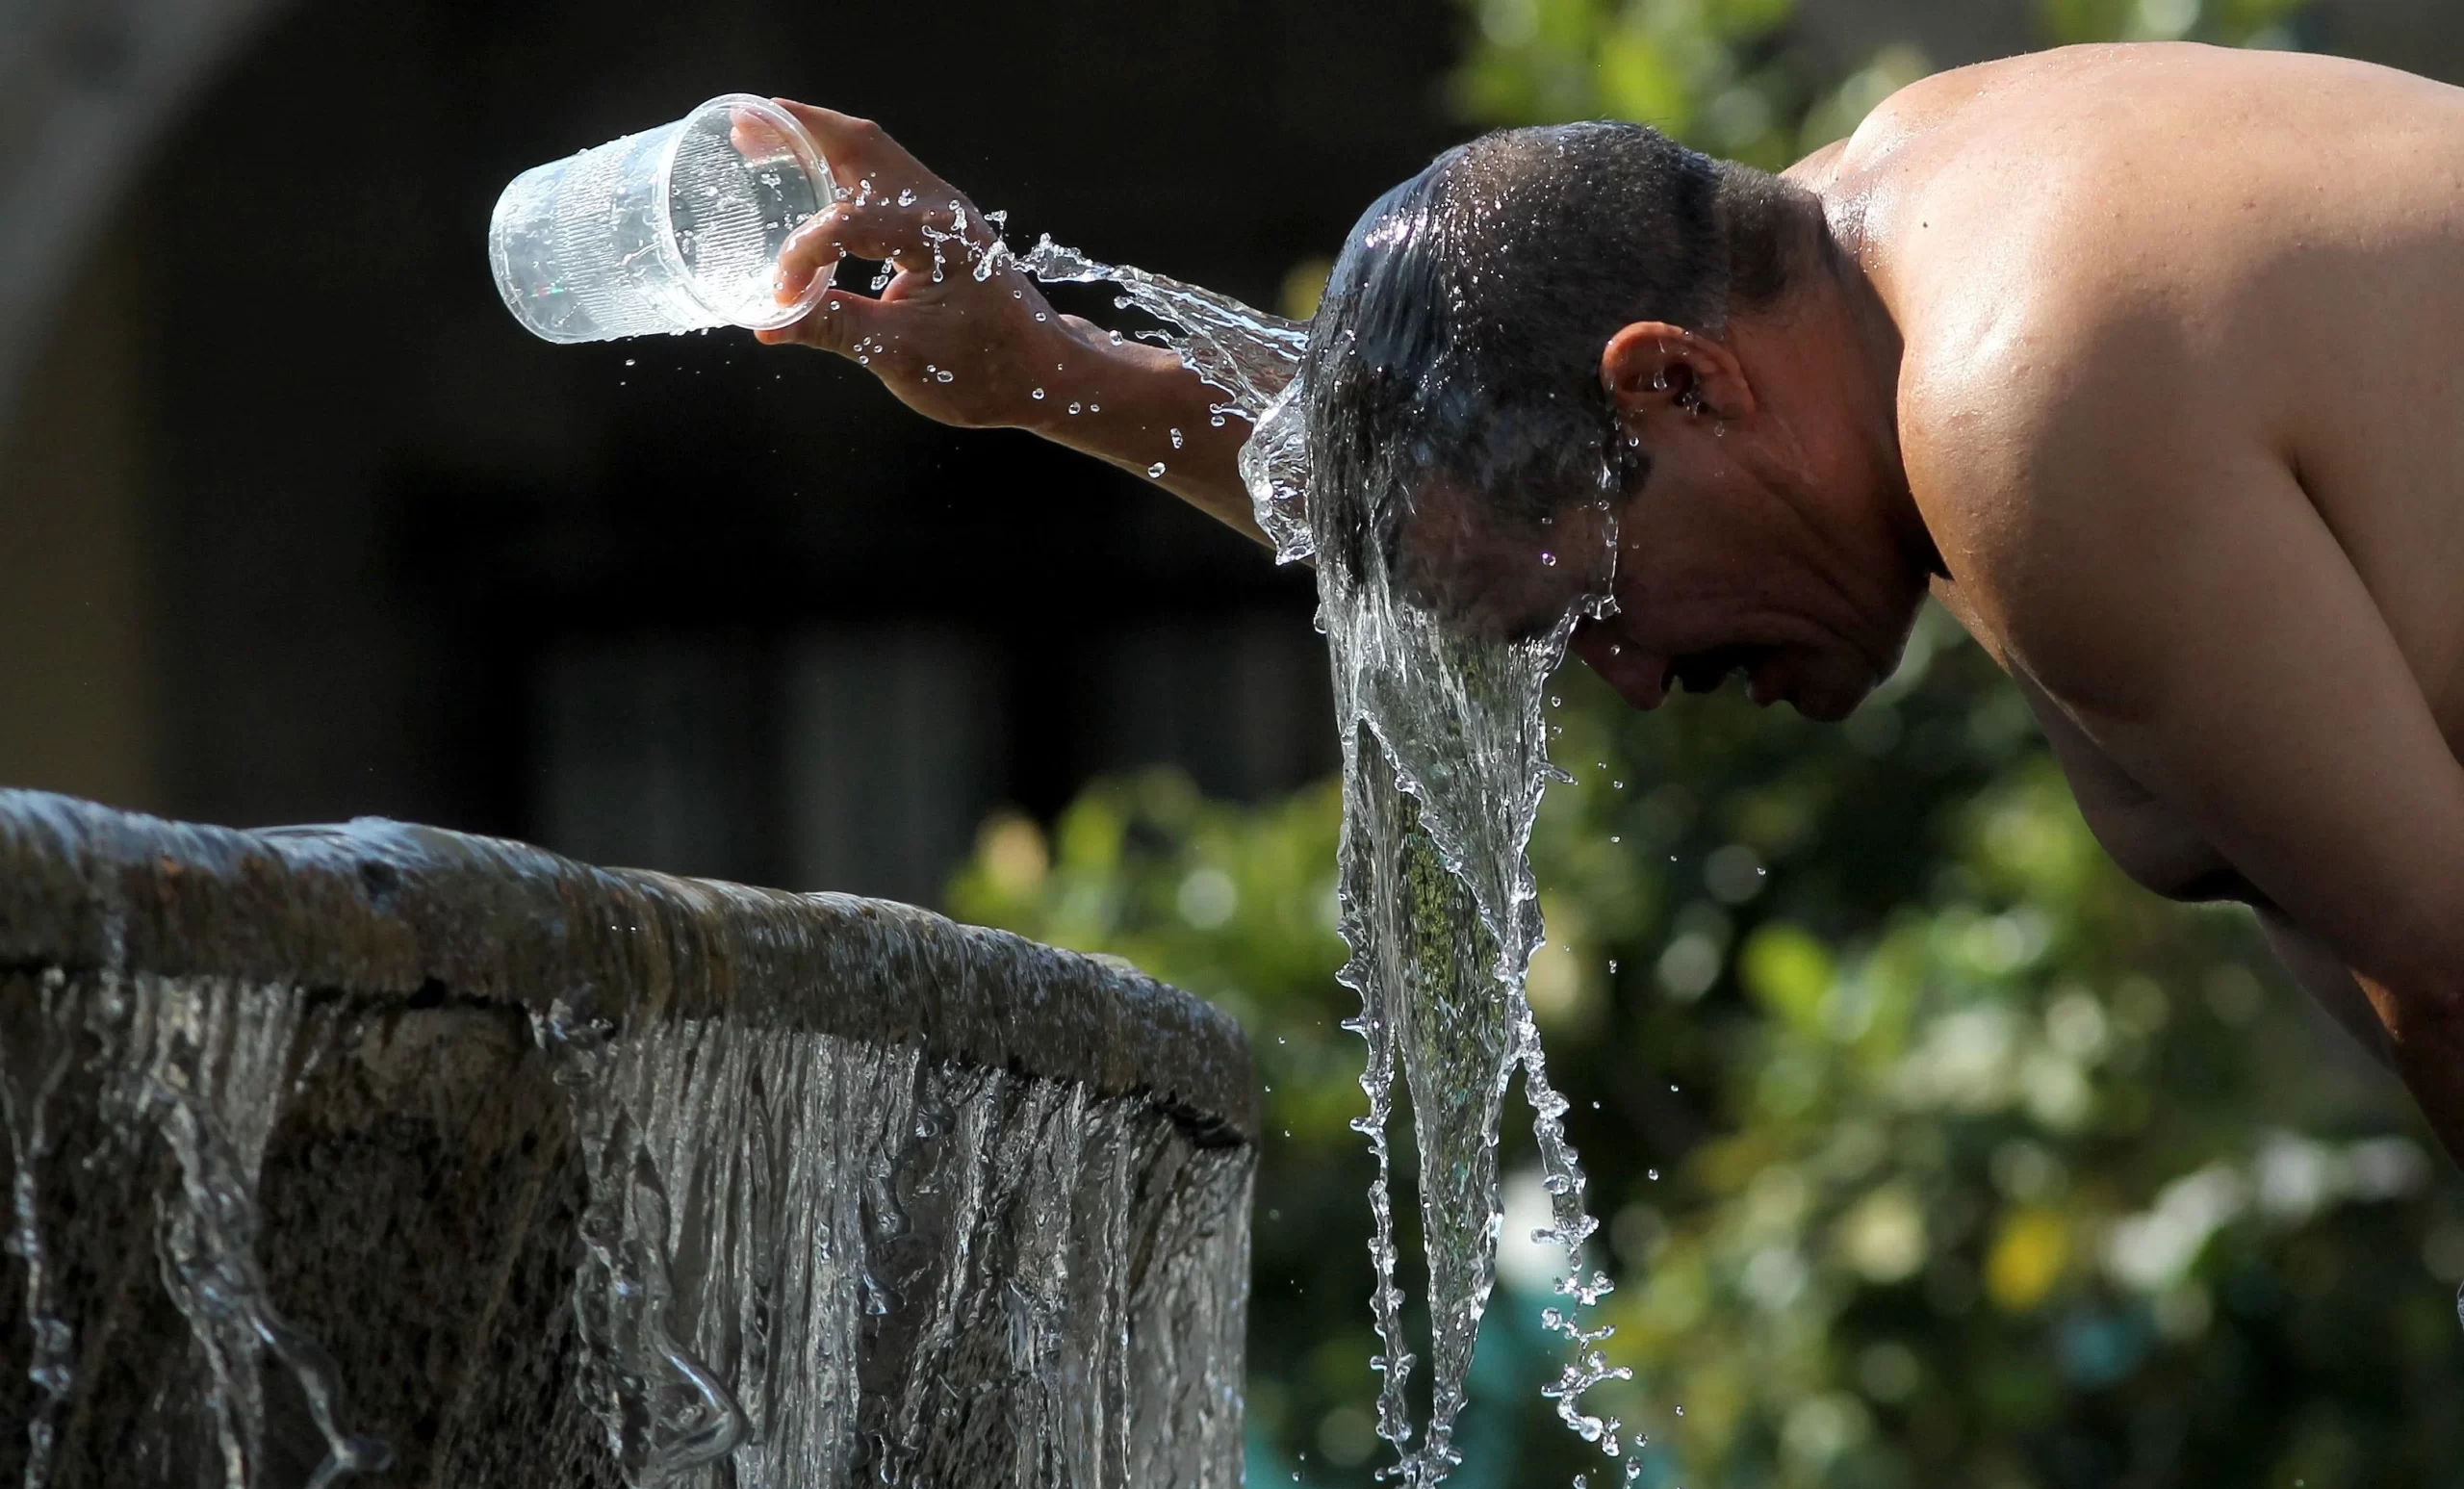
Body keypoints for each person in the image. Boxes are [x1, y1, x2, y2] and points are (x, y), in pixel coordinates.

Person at [753, 43, 2464, 1162]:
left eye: (1590, 613)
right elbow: (1457, 472)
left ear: (1681, 389)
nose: (1630, 680)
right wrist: (1045, 368)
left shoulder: (2023, 409)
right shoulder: (1881, 228)